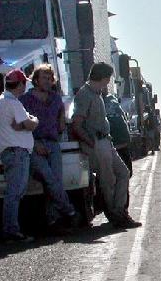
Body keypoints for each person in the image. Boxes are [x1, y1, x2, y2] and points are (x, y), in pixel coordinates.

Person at [71, 63, 141, 228]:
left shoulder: (97, 94)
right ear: (102, 77)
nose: (109, 80)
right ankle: (117, 215)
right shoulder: (85, 94)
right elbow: (77, 124)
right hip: (97, 143)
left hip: (106, 141)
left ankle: (119, 210)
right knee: (107, 181)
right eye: (108, 77)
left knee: (123, 173)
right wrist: (91, 143)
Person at [19, 64, 81, 233]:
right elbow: (21, 127)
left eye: (50, 78)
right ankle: (70, 211)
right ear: (36, 80)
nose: (47, 81)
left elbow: (61, 122)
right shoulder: (25, 100)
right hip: (34, 144)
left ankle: (54, 220)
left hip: (53, 143)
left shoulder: (56, 98)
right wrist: (34, 144)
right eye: (44, 78)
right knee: (49, 178)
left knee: (56, 182)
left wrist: (61, 119)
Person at [0, 69, 37, 242]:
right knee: (15, 192)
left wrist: (26, 123)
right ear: (19, 84)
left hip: (10, 151)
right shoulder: (13, 103)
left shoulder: (2, 101)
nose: (25, 86)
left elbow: (21, 125)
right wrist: (34, 120)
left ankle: (12, 228)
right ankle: (11, 230)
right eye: (24, 83)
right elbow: (29, 124)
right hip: (17, 152)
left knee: (14, 191)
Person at [103, 90, 133, 213]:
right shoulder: (93, 99)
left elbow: (122, 117)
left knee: (127, 174)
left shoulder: (111, 97)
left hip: (123, 143)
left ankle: (122, 210)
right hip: (112, 146)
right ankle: (119, 210)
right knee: (115, 179)